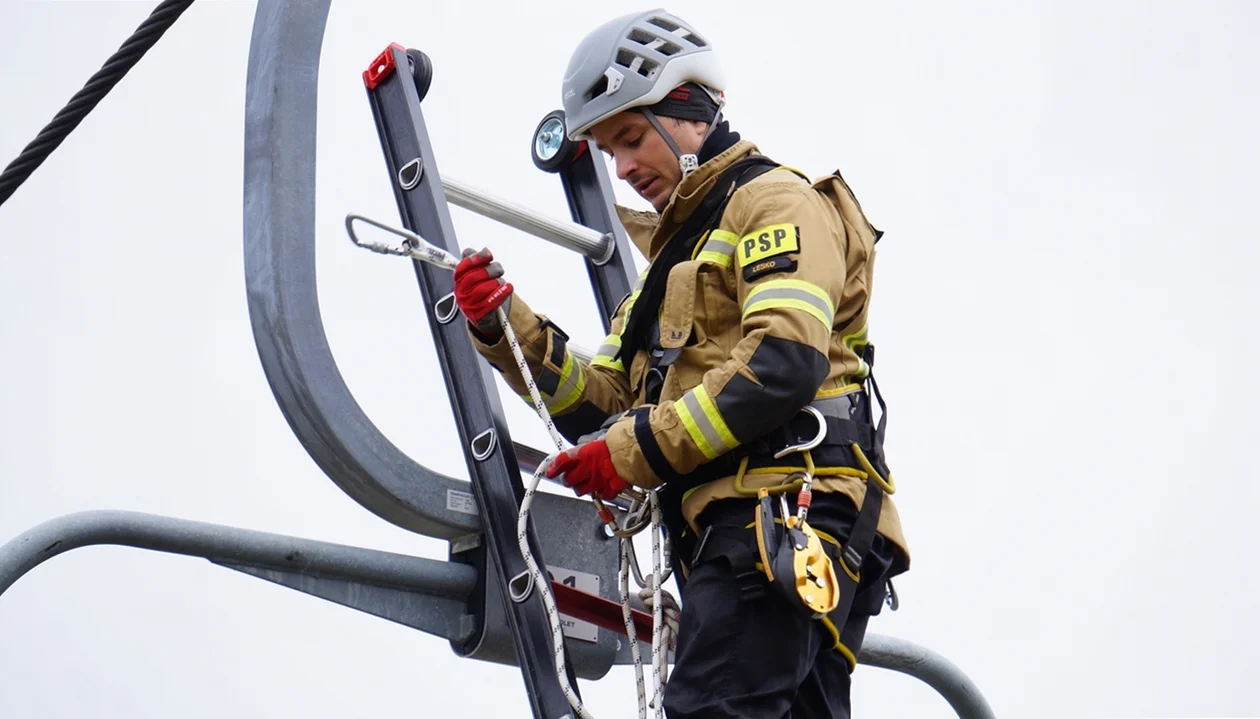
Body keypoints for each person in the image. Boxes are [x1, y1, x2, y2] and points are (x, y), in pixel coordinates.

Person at [453, 9, 910, 718]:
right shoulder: (662, 278)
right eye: (609, 151)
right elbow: (602, 409)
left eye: (631, 138)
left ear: (692, 108)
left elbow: (783, 363)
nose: (624, 169)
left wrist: (630, 453)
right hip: (741, 530)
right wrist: (500, 324)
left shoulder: (773, 202)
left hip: (783, 507)